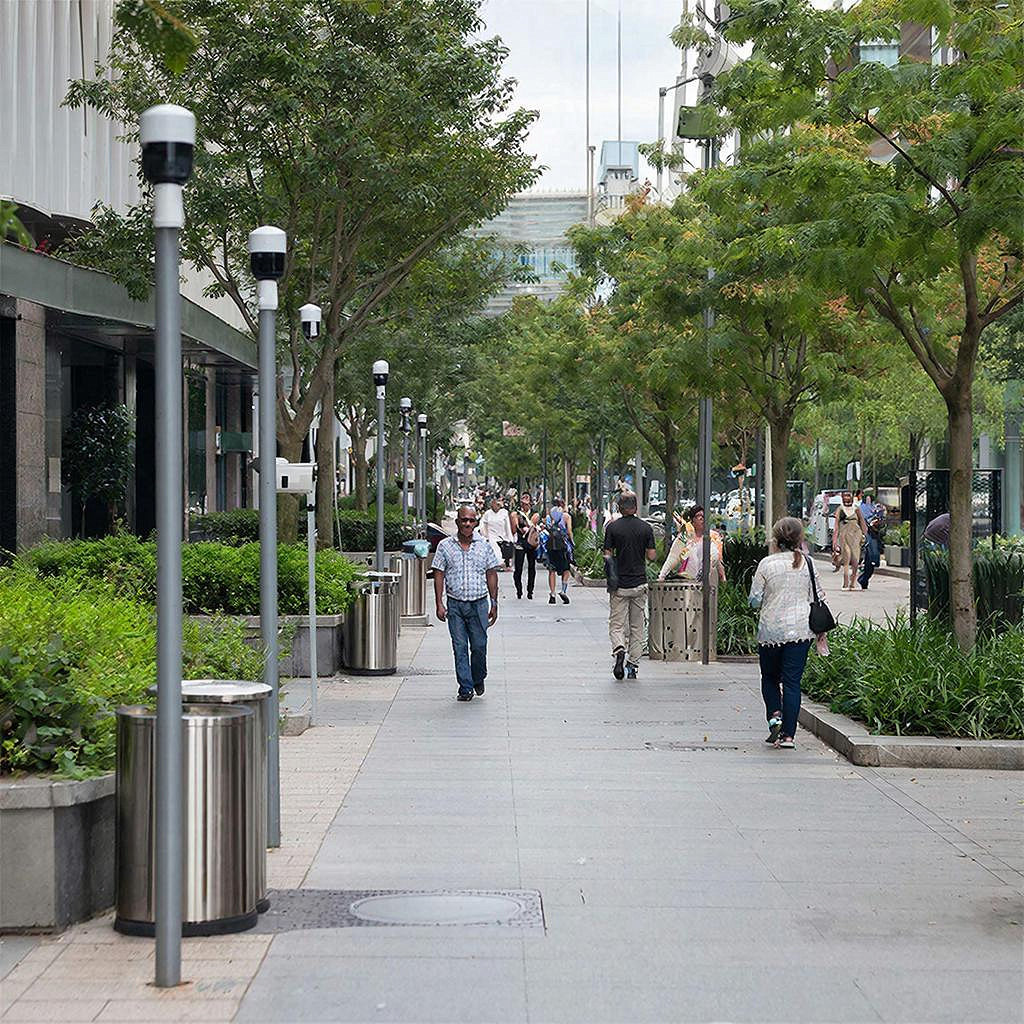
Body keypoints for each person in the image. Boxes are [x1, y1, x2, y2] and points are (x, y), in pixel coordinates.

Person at [749, 517, 820, 749]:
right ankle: (788, 736)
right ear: (800, 538)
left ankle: (775, 715)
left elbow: (754, 600)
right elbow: (818, 596)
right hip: (800, 630)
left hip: (771, 631)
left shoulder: (766, 564)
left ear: (776, 539)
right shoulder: (808, 563)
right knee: (792, 682)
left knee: (769, 677)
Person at [432, 506, 500, 701]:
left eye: (471, 520)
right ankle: (465, 687)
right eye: (464, 520)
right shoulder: (445, 546)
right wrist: (439, 603)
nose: (467, 524)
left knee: (479, 646)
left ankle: (478, 677)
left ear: (476, 522)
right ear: (457, 522)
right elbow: (438, 573)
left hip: (479, 605)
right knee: (459, 647)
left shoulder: (484, 545)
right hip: (455, 606)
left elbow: (491, 573)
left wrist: (494, 602)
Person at [603, 492, 656, 679]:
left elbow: (607, 554)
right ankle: (633, 664)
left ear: (620, 507)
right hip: (639, 583)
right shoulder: (646, 528)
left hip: (619, 585)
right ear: (635, 506)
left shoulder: (613, 527)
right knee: (636, 626)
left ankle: (619, 649)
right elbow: (651, 556)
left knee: (617, 625)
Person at [657, 505, 726, 584]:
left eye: (703, 516)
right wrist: (662, 576)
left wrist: (723, 579)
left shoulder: (714, 536)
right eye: (698, 516)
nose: (702, 518)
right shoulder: (685, 537)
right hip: (689, 583)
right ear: (692, 520)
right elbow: (673, 557)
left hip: (709, 583)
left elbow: (718, 561)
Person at [833, 491, 866, 591]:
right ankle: (845, 583)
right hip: (844, 535)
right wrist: (834, 541)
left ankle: (853, 583)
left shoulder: (856, 509)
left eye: (849, 496)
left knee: (855, 560)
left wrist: (864, 535)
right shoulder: (840, 509)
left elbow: (862, 523)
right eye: (845, 496)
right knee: (846, 557)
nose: (847, 498)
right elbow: (836, 526)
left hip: (856, 535)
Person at [543, 499, 574, 604]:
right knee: (566, 569)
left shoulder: (549, 517)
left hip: (551, 546)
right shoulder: (566, 516)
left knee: (552, 570)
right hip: (562, 546)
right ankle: (563, 590)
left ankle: (552, 594)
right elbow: (569, 531)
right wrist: (572, 542)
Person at [510, 492, 539, 600]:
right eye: (523, 500)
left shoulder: (534, 513)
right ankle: (519, 590)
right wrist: (515, 521)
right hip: (520, 543)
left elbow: (534, 524)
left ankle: (530, 591)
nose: (525, 503)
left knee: (532, 567)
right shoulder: (516, 514)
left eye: (527, 500)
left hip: (531, 543)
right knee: (518, 568)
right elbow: (514, 530)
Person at [857, 489, 885, 590]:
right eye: (867, 498)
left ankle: (863, 579)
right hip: (865, 536)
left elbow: (881, 522)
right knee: (869, 558)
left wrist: (878, 522)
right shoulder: (860, 508)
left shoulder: (877, 508)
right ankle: (863, 579)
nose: (868, 500)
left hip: (874, 535)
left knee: (873, 560)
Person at [480, 496, 514, 570]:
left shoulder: (504, 513)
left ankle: (505, 564)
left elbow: (507, 526)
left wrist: (509, 538)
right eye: (494, 503)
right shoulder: (487, 513)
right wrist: (485, 536)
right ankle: (497, 564)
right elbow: (483, 525)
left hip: (502, 535)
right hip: (491, 536)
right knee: (495, 549)